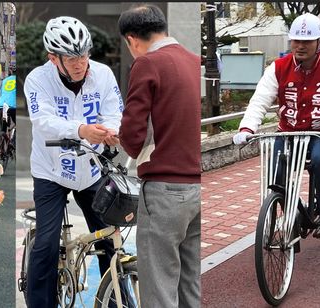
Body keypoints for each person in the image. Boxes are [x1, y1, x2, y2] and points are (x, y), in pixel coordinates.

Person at [24, 16, 122, 308]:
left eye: (84, 55)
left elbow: (114, 112)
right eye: (71, 57)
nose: (80, 63)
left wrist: (112, 132)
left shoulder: (103, 74)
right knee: (45, 245)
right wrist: (81, 130)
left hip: (92, 169)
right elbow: (42, 121)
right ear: (53, 58)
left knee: (109, 238)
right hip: (50, 170)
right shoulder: (37, 79)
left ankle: (114, 299)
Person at [233, 13, 320, 239]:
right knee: (276, 172)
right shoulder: (278, 68)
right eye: (296, 41)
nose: (300, 46)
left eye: (307, 41)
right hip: (288, 132)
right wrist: (247, 128)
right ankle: (291, 205)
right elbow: (260, 100)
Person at [117, 5, 201, 307]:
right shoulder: (194, 61)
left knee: (159, 288)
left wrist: (124, 140)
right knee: (190, 284)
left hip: (164, 190)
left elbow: (132, 134)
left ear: (132, 39)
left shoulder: (148, 64)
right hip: (196, 187)